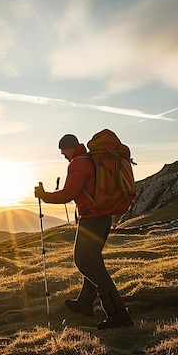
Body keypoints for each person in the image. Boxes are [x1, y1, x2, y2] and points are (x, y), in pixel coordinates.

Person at [34, 133, 134, 330]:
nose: (63, 155)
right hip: (104, 218)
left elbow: (68, 193)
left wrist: (44, 196)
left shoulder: (79, 163)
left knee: (86, 262)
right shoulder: (92, 160)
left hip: (92, 219)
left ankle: (118, 313)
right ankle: (85, 303)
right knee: (92, 261)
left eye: (63, 151)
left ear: (70, 147)